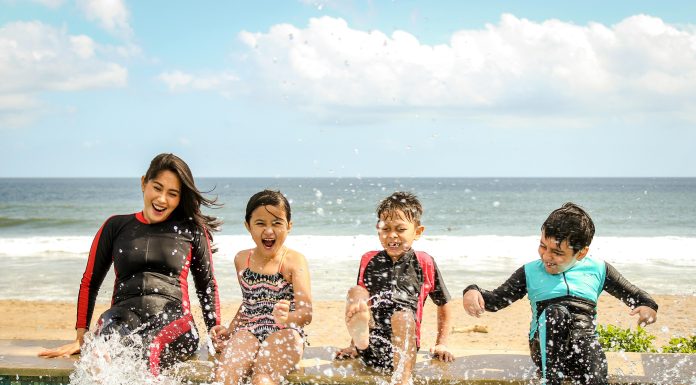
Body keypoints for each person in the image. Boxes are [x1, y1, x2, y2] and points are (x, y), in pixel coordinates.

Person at [39, 153, 222, 376]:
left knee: (148, 352)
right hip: (121, 317)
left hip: (174, 321)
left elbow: (207, 286)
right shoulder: (115, 226)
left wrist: (215, 332)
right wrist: (81, 336)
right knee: (100, 354)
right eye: (157, 187)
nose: (162, 199)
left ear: (179, 198)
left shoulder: (191, 231)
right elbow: (90, 282)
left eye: (172, 194)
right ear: (144, 182)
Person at [462, 202, 659, 385]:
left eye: (557, 252)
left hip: (583, 347)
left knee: (593, 356)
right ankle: (551, 380)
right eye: (542, 246)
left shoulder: (598, 269)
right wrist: (473, 291)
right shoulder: (530, 272)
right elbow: (496, 300)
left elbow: (636, 295)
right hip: (545, 349)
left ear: (580, 253)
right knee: (556, 312)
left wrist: (648, 307)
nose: (547, 256)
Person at [335, 191, 454, 385]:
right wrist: (353, 347)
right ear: (378, 229)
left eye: (400, 229)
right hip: (371, 348)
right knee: (356, 292)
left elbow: (444, 303)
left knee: (402, 316)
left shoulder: (424, 262)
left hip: (404, 351)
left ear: (417, 232)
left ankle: (402, 381)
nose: (392, 235)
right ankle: (358, 341)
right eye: (385, 228)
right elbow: (360, 308)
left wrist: (441, 343)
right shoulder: (369, 259)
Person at [211, 190, 312, 385]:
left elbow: (306, 313)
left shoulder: (294, 261)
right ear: (247, 226)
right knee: (224, 377)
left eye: (277, 223)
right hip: (249, 331)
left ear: (289, 226)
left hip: (286, 333)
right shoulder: (242, 259)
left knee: (262, 379)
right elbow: (249, 304)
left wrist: (288, 317)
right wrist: (230, 331)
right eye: (260, 223)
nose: (268, 231)